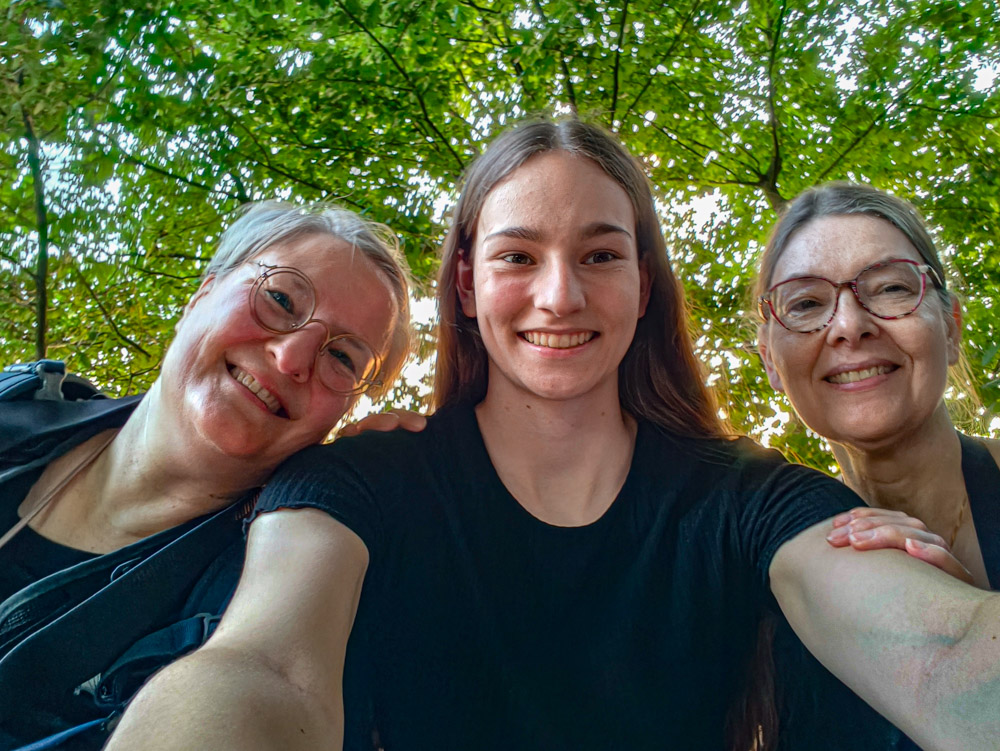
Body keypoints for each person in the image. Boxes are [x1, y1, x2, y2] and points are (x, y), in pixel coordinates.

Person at [107, 121, 1000, 751]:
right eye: (518, 256)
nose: (561, 295)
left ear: (643, 285)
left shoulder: (751, 496)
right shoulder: (359, 484)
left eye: (601, 255)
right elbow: (263, 668)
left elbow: (946, 654)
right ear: (466, 283)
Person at [0, 201, 412, 748]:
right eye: (281, 299)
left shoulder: (279, 596)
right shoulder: (17, 410)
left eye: (342, 358)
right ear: (201, 295)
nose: (292, 358)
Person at [754, 182, 1000, 749]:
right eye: (806, 304)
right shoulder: (764, 590)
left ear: (951, 328)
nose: (849, 325)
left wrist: (968, 626)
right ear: (770, 361)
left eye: (890, 288)